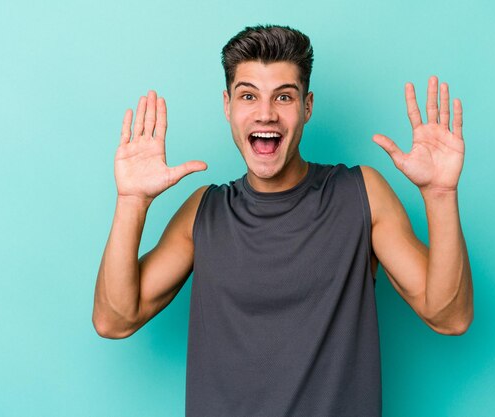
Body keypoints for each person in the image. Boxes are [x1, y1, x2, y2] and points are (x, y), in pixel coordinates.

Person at [93, 24, 473, 416]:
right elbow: (115, 319)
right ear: (228, 106)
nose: (266, 114)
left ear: (307, 106)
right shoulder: (204, 213)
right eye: (248, 96)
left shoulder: (361, 195)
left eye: (284, 97)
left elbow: (449, 316)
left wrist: (440, 195)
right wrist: (132, 201)